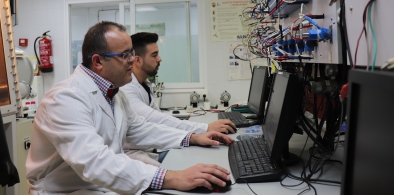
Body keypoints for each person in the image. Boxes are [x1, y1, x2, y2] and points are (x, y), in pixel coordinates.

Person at [25, 21, 234, 195]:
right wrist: (174, 177)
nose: (133, 61)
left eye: (132, 53)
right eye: (125, 55)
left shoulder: (116, 94)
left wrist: (193, 137)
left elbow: (142, 129)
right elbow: (94, 162)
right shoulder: (65, 98)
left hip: (101, 186)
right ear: (98, 61)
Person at [121, 32, 236, 134]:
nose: (160, 59)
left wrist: (197, 132)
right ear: (137, 60)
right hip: (136, 153)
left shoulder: (145, 84)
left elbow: (161, 118)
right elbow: (154, 118)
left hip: (150, 147)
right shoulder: (126, 88)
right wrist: (205, 128)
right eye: (154, 55)